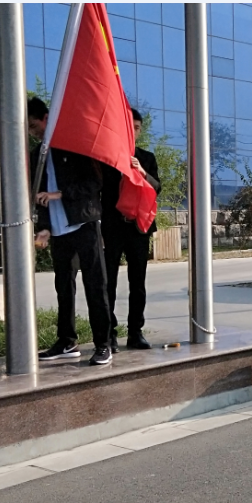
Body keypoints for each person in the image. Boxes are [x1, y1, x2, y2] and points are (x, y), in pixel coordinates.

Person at [28, 97, 113, 366]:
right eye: (28, 129)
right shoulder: (36, 155)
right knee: (64, 288)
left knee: (95, 285)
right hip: (58, 231)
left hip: (84, 224)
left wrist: (60, 194)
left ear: (46, 118)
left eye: (34, 126)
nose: (32, 132)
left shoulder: (75, 144)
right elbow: (37, 196)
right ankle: (67, 341)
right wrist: (44, 228)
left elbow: (94, 183)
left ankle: (103, 344)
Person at [101, 108, 160, 352]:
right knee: (109, 282)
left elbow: (156, 188)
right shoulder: (109, 157)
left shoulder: (147, 157)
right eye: (130, 127)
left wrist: (142, 172)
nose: (133, 131)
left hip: (138, 228)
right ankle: (109, 334)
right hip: (113, 227)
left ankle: (136, 332)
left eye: (137, 128)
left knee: (138, 283)